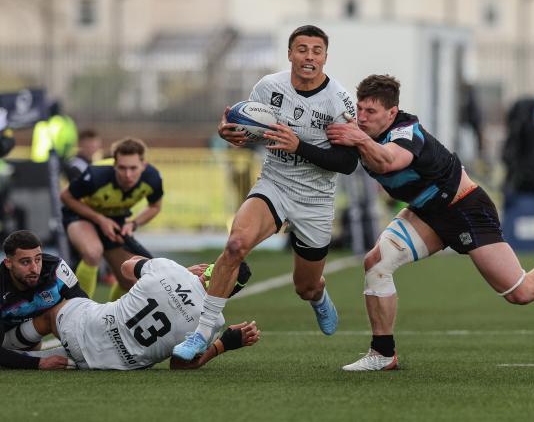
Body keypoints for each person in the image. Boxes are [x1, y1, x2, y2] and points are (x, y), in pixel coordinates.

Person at [326, 74, 534, 371]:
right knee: (377, 264)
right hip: (427, 212)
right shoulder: (364, 131)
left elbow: (388, 160)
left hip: (465, 210)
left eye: (371, 111)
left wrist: (358, 139)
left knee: (522, 291)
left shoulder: (407, 132)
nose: (362, 117)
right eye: (360, 109)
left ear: (392, 112)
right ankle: (383, 353)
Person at [172, 24, 358, 361]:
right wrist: (230, 132)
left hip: (315, 199)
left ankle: (318, 298)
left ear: (325, 58)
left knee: (306, 286)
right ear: (290, 54)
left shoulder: (339, 102)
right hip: (275, 183)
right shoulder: (268, 87)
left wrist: (299, 145)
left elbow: (347, 163)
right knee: (235, 245)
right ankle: (201, 333)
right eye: (302, 49)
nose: (309, 57)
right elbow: (247, 126)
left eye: (316, 51)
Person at [13, 256, 258, 370]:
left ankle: (9, 344)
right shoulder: (214, 321)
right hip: (109, 366)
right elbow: (180, 364)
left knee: (53, 312)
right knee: (80, 351)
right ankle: (37, 359)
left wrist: (181, 271)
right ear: (229, 294)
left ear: (207, 268)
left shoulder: (171, 269)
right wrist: (223, 344)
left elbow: (126, 266)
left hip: (83, 326)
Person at [60, 137, 163, 301]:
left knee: (129, 279)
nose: (128, 175)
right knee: (93, 252)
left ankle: (112, 317)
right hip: (81, 216)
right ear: (114, 164)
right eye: (122, 168)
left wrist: (133, 223)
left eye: (133, 168)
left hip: (116, 221)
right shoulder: (95, 174)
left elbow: (155, 206)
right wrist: (100, 219)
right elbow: (66, 196)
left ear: (143, 166)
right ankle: (79, 309)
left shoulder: (153, 178)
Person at [0, 230, 87, 369]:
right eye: (25, 262)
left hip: (29, 337)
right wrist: (39, 363)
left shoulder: (55, 268)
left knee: (68, 308)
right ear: (8, 263)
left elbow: (84, 306)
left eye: (38, 259)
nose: (34, 268)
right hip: (4, 339)